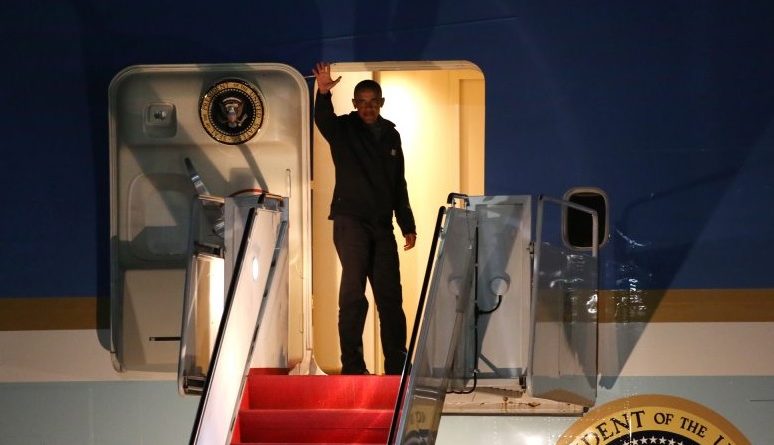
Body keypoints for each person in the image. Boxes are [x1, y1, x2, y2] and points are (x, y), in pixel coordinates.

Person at [312, 62, 417, 375]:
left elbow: (399, 184)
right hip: (351, 222)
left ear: (381, 103)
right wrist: (322, 93)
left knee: (390, 298)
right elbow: (323, 120)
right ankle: (353, 366)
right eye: (362, 102)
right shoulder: (343, 130)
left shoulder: (391, 135)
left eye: (374, 102)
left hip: (382, 226)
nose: (368, 107)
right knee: (353, 296)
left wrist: (407, 224)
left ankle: (397, 367)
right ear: (354, 104)